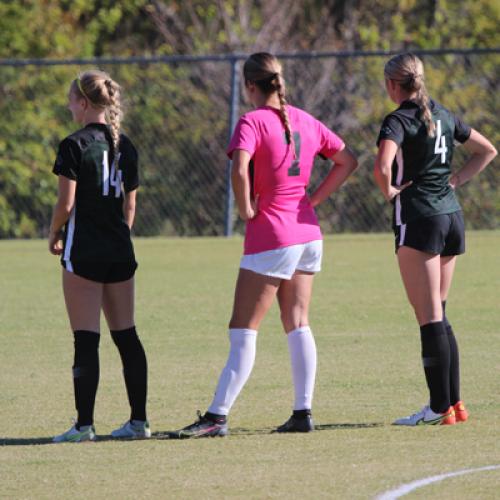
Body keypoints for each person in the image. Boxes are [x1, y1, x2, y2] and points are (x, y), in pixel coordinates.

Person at [172, 52, 358, 438]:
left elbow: (239, 168)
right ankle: (302, 412)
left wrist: (244, 209)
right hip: (307, 234)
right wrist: (315, 200)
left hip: (272, 234)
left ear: (250, 86)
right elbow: (347, 161)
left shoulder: (251, 121)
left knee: (243, 329)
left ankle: (217, 416)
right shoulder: (305, 119)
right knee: (298, 324)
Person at [374, 53, 497, 426]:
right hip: (450, 216)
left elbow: (382, 166)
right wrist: (456, 180)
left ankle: (437, 408)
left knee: (428, 317)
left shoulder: (398, 119)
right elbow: (487, 149)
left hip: (421, 219)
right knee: (439, 313)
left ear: (394, 85)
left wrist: (391, 192)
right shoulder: (442, 113)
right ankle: (454, 405)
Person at [49, 70, 150, 442]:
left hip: (85, 251)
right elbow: (130, 205)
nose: (68, 105)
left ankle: (84, 426)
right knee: (127, 336)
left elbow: (66, 202)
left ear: (84, 103)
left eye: (71, 99)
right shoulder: (128, 145)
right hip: (120, 250)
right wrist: (117, 235)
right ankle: (139, 422)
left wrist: (54, 230)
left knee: (86, 339)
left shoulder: (73, 145)